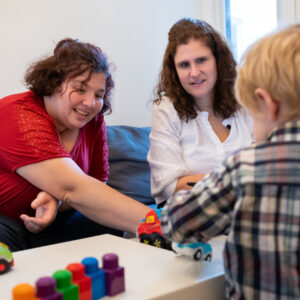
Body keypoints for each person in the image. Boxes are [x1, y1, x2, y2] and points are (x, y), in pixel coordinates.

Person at [161, 24, 300, 299]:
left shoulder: (245, 168)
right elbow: (166, 185)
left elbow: (175, 222)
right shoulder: (167, 110)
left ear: (267, 104)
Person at [0, 38, 152, 251]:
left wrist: (57, 198)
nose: (90, 103)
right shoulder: (17, 114)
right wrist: (161, 225)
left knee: (104, 223)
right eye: (80, 89)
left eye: (98, 95)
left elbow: (97, 186)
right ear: (53, 84)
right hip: (5, 220)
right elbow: (73, 187)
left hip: (51, 221)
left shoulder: (94, 121)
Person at [147, 18, 254, 207]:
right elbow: (168, 186)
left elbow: (264, 166)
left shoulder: (243, 101)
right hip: (191, 212)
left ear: (218, 61)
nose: (194, 72)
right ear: (174, 69)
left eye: (201, 60)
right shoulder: (165, 109)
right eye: (184, 65)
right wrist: (233, 182)